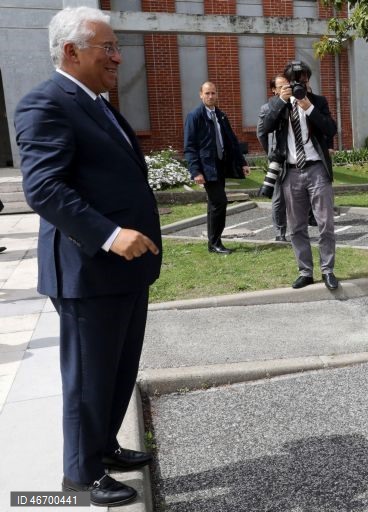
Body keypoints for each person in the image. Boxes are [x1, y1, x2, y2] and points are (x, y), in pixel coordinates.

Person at [14, 6, 162, 507]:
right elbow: (44, 189)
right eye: (108, 48)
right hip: (89, 269)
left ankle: (103, 449)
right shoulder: (46, 103)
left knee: (118, 369)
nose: (118, 57)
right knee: (89, 377)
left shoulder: (96, 102)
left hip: (122, 270)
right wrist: (110, 234)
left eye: (117, 47)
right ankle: (79, 477)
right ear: (72, 51)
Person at [261, 60, 339, 290]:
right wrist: (282, 100)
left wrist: (308, 107)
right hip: (291, 173)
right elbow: (265, 126)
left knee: (325, 223)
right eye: (294, 80)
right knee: (296, 227)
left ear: (308, 80)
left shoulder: (318, 102)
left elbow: (331, 129)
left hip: (317, 170)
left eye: (302, 80)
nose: (298, 84)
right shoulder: (278, 105)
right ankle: (305, 271)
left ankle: (328, 270)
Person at [183, 81, 250, 254]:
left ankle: (213, 242)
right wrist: (195, 171)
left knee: (214, 204)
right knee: (220, 202)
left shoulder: (220, 115)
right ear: (201, 95)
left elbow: (232, 141)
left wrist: (242, 162)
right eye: (207, 93)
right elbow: (189, 146)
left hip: (220, 165)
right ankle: (215, 243)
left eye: (213, 93)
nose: (210, 96)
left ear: (217, 94)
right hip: (207, 168)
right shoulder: (195, 116)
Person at [257, 75, 290, 242]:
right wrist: (271, 152)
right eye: (281, 86)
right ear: (274, 90)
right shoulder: (267, 108)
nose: (285, 88)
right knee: (279, 197)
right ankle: (280, 232)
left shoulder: (296, 104)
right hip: (279, 158)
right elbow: (261, 133)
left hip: (297, 158)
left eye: (287, 85)